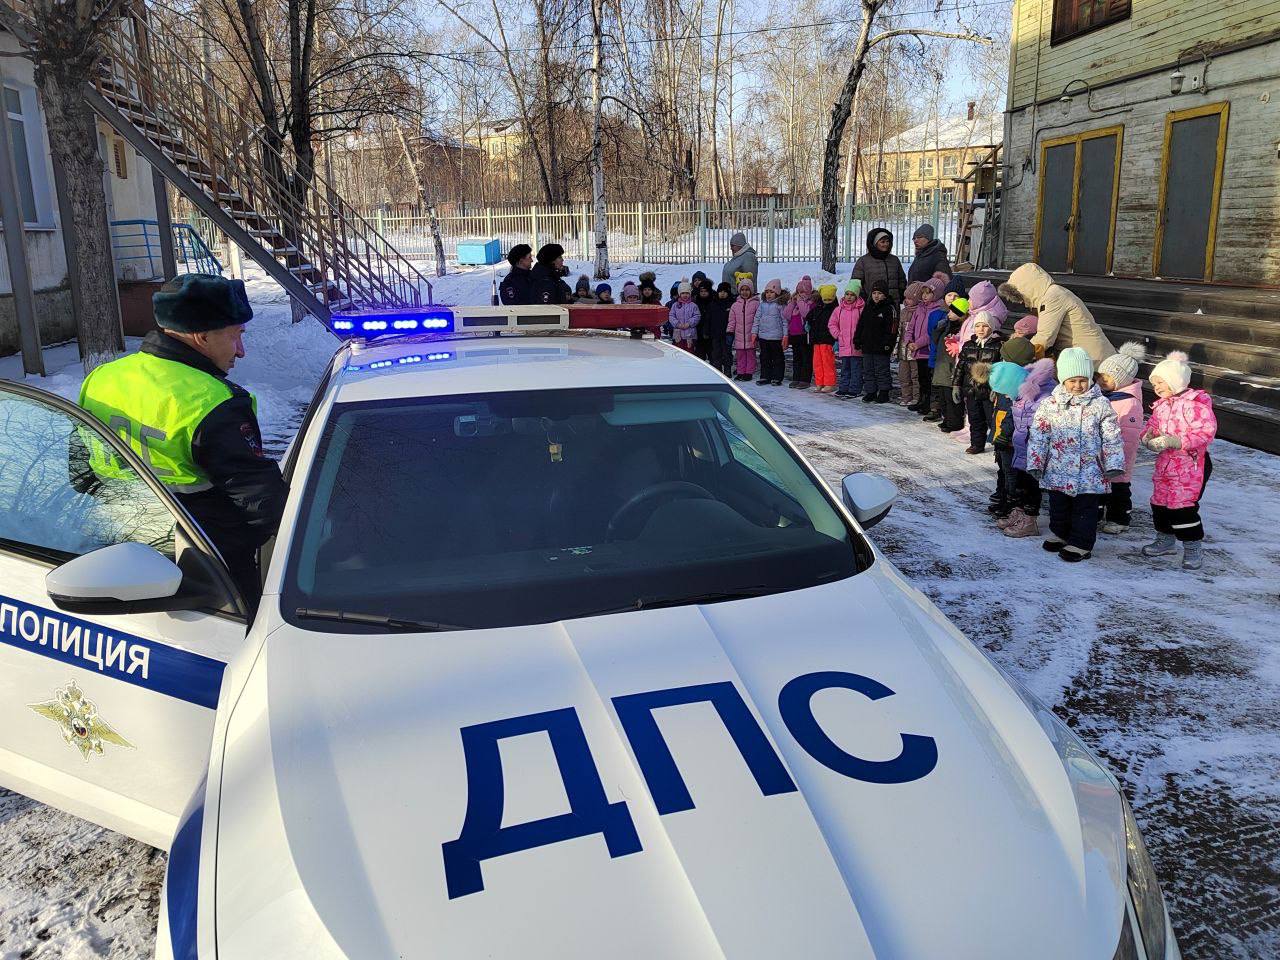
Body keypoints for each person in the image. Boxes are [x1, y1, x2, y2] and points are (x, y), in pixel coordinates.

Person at [77, 274, 288, 604]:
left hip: (117, 553)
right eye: (236, 336)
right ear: (202, 337)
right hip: (209, 569)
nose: (242, 351)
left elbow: (80, 475)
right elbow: (264, 505)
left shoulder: (102, 380)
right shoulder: (212, 402)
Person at [1026, 347, 1126, 562]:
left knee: (1085, 509)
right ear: (1063, 380)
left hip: (1089, 470)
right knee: (1058, 506)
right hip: (1057, 468)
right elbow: (1039, 434)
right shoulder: (1050, 405)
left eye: (1083, 380)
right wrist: (1036, 462)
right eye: (1072, 380)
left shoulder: (1100, 405)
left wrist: (1113, 463)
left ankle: (1081, 543)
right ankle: (1061, 534)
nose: (1077, 386)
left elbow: (1112, 436)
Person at [1140, 350, 1217, 571]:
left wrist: (1176, 441)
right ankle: (1165, 540)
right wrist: (1149, 437)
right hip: (1165, 464)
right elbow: (1152, 425)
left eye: (1161, 382)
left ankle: (1192, 546)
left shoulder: (1196, 405)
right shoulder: (1162, 405)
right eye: (1154, 384)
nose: (1157, 387)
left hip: (1190, 465)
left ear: (1176, 381)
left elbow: (1206, 433)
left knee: (1182, 507)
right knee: (1160, 502)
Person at [998, 263, 1116, 364]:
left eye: (1022, 298)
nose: (1024, 304)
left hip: (1091, 358)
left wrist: (1016, 356)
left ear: (1027, 288)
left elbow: (1044, 337)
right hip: (1086, 354)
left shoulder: (1052, 297)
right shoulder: (1054, 293)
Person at [1000, 345, 1054, 540]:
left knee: (1032, 485)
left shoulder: (1043, 396)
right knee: (1022, 483)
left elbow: (1044, 424)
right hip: (1022, 446)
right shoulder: (1022, 393)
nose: (1006, 397)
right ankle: (1020, 511)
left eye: (1007, 392)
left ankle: (1030, 520)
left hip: (1036, 449)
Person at [1095, 343, 1147, 535]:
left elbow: (1130, 434)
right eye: (1101, 376)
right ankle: (1098, 514)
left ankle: (1119, 517)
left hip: (1119, 454)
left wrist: (1118, 455)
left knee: (1119, 486)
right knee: (1099, 484)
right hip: (1101, 452)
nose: (1102, 381)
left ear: (1122, 379)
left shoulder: (1129, 402)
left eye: (1107, 378)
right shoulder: (1106, 396)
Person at [953, 311, 1005, 454]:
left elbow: (1001, 370)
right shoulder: (969, 345)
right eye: (978, 326)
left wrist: (997, 388)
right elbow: (960, 367)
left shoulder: (998, 346)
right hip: (971, 390)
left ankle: (999, 446)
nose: (981, 329)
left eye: (985, 326)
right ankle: (977, 444)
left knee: (992, 419)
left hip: (988, 391)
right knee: (975, 419)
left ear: (991, 327)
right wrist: (956, 385)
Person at [987, 360, 1029, 519]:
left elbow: (1012, 419)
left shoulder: (1020, 400)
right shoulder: (1009, 394)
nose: (1003, 395)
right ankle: (1005, 499)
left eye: (1004, 392)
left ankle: (1012, 505)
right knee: (1004, 472)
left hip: (1012, 442)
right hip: (1003, 439)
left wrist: (1004, 435)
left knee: (1013, 475)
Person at [906, 275, 947, 415]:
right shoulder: (920, 308)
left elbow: (932, 333)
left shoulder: (938, 310)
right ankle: (921, 400)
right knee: (921, 378)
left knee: (928, 379)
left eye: (928, 293)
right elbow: (911, 326)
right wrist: (909, 340)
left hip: (927, 350)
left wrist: (917, 344)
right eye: (923, 293)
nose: (924, 296)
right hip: (917, 349)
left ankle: (929, 403)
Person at [854, 280, 896, 402]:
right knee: (868, 370)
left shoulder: (889, 308)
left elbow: (892, 329)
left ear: (885, 294)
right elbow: (861, 325)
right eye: (874, 293)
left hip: (881, 347)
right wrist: (857, 339)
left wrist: (888, 344)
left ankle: (884, 391)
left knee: (881, 370)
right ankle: (871, 391)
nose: (876, 296)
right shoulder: (868, 307)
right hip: (867, 345)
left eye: (879, 293)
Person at [930, 296, 967, 431]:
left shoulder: (961, 328)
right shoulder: (947, 325)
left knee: (952, 398)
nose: (949, 314)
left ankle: (954, 422)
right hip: (942, 365)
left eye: (953, 312)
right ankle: (947, 419)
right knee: (943, 396)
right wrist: (939, 327)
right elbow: (934, 339)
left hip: (951, 366)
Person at [829, 279, 865, 399]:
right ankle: (843, 387)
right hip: (844, 344)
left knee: (856, 369)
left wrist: (861, 337)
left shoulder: (861, 310)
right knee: (845, 368)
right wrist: (838, 334)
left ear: (857, 296)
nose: (849, 297)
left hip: (856, 345)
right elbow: (832, 324)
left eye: (852, 295)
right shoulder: (839, 310)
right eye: (847, 294)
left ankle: (855, 389)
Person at [851, 229, 907, 305]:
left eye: (888, 241)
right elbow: (856, 283)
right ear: (875, 243)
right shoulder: (863, 261)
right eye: (882, 242)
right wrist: (865, 299)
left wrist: (901, 294)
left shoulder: (894, 260)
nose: (886, 244)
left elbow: (901, 280)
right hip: (872, 304)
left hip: (892, 304)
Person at [784, 276, 815, 389]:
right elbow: (786, 315)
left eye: (802, 292)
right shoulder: (795, 303)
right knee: (797, 358)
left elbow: (806, 313)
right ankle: (796, 377)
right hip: (795, 335)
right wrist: (792, 303)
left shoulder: (811, 303)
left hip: (804, 335)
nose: (800, 294)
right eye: (798, 291)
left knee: (806, 358)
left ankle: (805, 379)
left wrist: (800, 301)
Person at [895, 281, 924, 407]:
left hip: (915, 350)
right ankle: (906, 395)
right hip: (903, 349)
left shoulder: (920, 311)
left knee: (915, 375)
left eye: (910, 298)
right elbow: (899, 331)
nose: (907, 301)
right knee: (903, 375)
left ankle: (916, 397)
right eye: (906, 298)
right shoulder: (904, 311)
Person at [755, 279, 788, 385]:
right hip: (763, 336)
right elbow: (757, 319)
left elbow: (785, 321)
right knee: (764, 358)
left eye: (771, 292)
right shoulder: (762, 305)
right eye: (767, 292)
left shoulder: (780, 305)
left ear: (777, 293)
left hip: (776, 337)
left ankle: (777, 377)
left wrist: (785, 336)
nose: (769, 295)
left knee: (777, 358)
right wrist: (753, 333)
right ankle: (765, 376)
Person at [726, 278, 759, 381]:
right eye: (742, 289)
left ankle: (749, 372)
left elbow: (758, 319)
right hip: (739, 336)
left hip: (751, 335)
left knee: (750, 355)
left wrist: (757, 332)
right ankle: (740, 372)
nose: (745, 292)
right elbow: (732, 320)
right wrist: (730, 332)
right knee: (740, 355)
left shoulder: (756, 304)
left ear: (751, 291)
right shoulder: (735, 305)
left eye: (747, 289)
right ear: (739, 291)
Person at [809, 284, 838, 393]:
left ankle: (830, 382)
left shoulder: (835, 309)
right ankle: (819, 382)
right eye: (825, 299)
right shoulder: (817, 308)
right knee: (817, 362)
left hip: (828, 340)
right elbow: (809, 317)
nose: (827, 301)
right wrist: (808, 323)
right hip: (817, 340)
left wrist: (836, 339)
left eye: (829, 299)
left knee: (827, 362)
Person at [959, 279, 1007, 344]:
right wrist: (957, 338)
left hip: (973, 352)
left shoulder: (988, 318)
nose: (968, 301)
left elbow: (981, 340)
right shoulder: (974, 313)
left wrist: (960, 347)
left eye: (971, 299)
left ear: (979, 302)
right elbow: (967, 332)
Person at [707, 282, 734, 375]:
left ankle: (727, 370)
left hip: (727, 333)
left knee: (727, 353)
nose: (722, 293)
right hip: (715, 333)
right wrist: (706, 330)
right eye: (720, 291)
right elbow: (708, 318)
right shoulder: (713, 303)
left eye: (725, 292)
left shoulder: (731, 304)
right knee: (716, 353)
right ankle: (718, 371)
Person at [668, 279, 700, 353]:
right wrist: (677, 324)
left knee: (690, 352)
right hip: (678, 333)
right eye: (683, 293)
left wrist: (689, 323)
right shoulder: (675, 305)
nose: (685, 295)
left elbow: (697, 316)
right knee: (679, 352)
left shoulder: (693, 305)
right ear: (679, 294)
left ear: (690, 294)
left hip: (690, 334)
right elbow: (671, 316)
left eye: (687, 293)